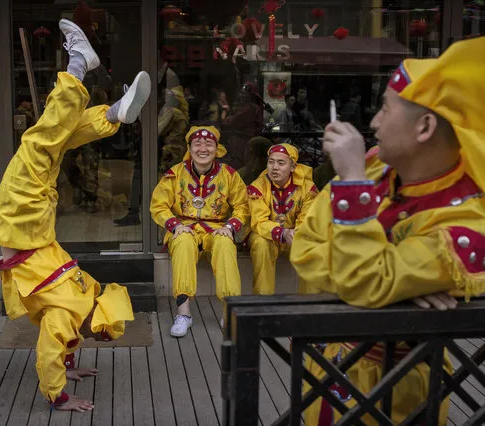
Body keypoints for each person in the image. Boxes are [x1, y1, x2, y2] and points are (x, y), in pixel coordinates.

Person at [290, 37, 485, 424]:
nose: (374, 122)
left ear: (425, 126)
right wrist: (392, 288)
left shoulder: (465, 224)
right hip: (330, 366)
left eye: (384, 109)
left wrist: (351, 184)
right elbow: (305, 246)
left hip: (402, 386)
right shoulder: (375, 171)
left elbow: (361, 278)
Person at [0, 19, 149, 412]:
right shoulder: (72, 310)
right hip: (21, 220)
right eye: (98, 334)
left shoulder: (86, 291)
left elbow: (55, 344)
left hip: (31, 223)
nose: (94, 336)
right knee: (43, 142)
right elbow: (54, 345)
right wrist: (63, 382)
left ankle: (104, 104)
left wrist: (64, 380)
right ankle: (82, 72)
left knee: (48, 142)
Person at [150, 124, 249, 337]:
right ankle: (184, 313)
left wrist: (230, 227)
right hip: (183, 227)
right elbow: (158, 205)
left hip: (216, 228)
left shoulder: (229, 175)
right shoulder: (174, 174)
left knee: (224, 243)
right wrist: (175, 225)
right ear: (190, 148)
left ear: (217, 148)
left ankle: (229, 312)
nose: (203, 148)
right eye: (197, 144)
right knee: (184, 241)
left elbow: (243, 206)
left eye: (208, 144)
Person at [247, 143, 317, 295]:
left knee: (311, 243)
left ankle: (309, 303)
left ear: (293, 167)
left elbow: (307, 219)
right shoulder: (257, 186)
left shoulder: (308, 188)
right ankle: (262, 302)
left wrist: (296, 233)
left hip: (295, 234)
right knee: (260, 243)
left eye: (281, 163)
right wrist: (282, 232)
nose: (274, 167)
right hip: (268, 235)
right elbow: (259, 221)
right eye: (271, 162)